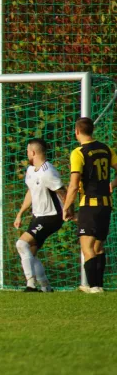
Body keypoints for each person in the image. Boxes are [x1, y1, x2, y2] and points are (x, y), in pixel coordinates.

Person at [63, 117, 117, 294]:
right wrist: (112, 184)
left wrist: (66, 206)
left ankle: (93, 287)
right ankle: (98, 285)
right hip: (106, 205)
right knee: (98, 247)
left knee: (86, 247)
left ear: (77, 131)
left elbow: (74, 183)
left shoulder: (79, 152)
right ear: (92, 130)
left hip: (89, 205)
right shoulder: (106, 149)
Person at [13, 139, 67, 292]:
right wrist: (20, 213)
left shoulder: (47, 171)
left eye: (28, 151)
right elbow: (31, 191)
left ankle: (30, 285)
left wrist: (69, 210)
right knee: (30, 252)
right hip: (38, 216)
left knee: (21, 244)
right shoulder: (31, 170)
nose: (27, 154)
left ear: (33, 153)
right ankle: (46, 287)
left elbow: (62, 191)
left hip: (52, 216)